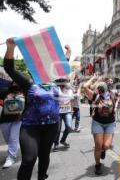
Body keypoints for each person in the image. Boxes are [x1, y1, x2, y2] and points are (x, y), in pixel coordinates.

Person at [4, 38, 70, 180]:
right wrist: (11, 47)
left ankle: (42, 177)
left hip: (52, 125)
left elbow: (63, 65)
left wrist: (68, 52)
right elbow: (9, 69)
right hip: (30, 127)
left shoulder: (55, 82)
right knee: (29, 159)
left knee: (44, 155)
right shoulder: (28, 83)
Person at [84, 78, 116, 175]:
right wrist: (94, 78)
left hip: (110, 123)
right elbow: (85, 86)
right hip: (97, 123)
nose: (101, 88)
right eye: (100, 87)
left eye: (103, 86)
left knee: (106, 146)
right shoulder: (95, 96)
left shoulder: (112, 95)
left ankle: (103, 150)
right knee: (98, 145)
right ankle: (98, 165)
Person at [0, 82, 24, 168]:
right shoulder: (5, 91)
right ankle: (12, 151)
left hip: (18, 119)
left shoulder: (25, 91)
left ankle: (11, 158)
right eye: (14, 82)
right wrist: (3, 103)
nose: (16, 83)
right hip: (5, 119)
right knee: (8, 139)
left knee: (13, 138)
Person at [53, 78, 74, 151]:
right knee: (57, 129)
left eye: (68, 82)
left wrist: (72, 109)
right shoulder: (56, 89)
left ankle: (63, 140)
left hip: (67, 111)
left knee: (69, 127)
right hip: (58, 112)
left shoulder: (70, 90)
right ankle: (56, 143)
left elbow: (71, 100)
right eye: (66, 82)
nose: (68, 83)